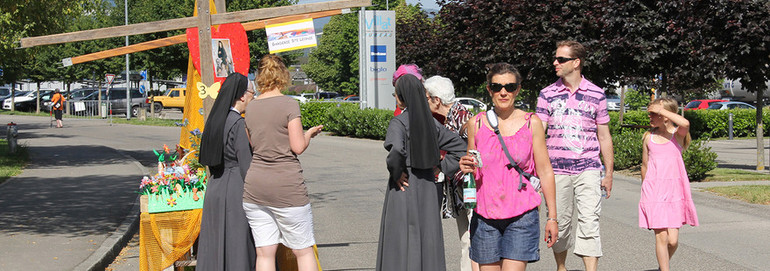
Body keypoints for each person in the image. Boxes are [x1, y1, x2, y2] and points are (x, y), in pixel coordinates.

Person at [459, 63, 558, 271]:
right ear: (489, 90)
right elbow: (472, 167)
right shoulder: (476, 123)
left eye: (510, 87)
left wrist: (552, 217)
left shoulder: (532, 123)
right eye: (497, 87)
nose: (503, 92)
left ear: (518, 89)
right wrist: (466, 166)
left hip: (521, 214)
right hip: (485, 215)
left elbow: (545, 171)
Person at [536, 40, 614, 271]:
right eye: (556, 58)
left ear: (576, 62)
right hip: (555, 169)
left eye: (561, 59)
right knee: (560, 222)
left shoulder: (597, 94)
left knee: (589, 220)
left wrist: (608, 173)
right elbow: (538, 135)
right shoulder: (547, 94)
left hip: (589, 167)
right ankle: (561, 267)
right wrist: (536, 172)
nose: (555, 63)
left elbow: (604, 136)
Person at [376, 74, 467, 271]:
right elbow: (460, 147)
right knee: (427, 237)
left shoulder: (399, 122)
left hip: (403, 184)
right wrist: (441, 166)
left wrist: (397, 171)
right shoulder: (432, 123)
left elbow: (396, 152)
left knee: (400, 238)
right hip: (428, 184)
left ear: (401, 97)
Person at [242, 54, 323, 271]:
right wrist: (308, 134)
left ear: (259, 77)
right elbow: (297, 147)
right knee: (303, 250)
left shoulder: (250, 107)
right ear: (283, 75)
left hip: (255, 187)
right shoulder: (289, 104)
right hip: (286, 186)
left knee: (265, 253)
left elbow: (254, 145)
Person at [198, 73, 257, 271]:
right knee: (237, 245)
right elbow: (246, 165)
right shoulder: (238, 124)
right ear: (242, 96)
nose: (253, 97)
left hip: (215, 186)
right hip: (235, 189)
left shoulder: (215, 120)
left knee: (215, 246)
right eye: (252, 93)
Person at [423, 75, 477, 271]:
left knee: (471, 240)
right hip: (460, 189)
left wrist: (444, 166)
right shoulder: (450, 116)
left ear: (437, 100)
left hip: (470, 188)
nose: (425, 100)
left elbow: (472, 152)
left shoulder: (463, 117)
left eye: (427, 97)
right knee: (466, 239)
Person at [640, 97, 699, 271]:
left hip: (674, 192)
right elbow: (644, 165)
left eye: (653, 114)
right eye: (649, 113)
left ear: (665, 116)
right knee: (662, 238)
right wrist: (645, 190)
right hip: (654, 192)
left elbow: (685, 123)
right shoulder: (648, 137)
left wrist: (663, 110)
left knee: (673, 241)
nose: (650, 117)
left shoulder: (677, 135)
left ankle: (661, 266)